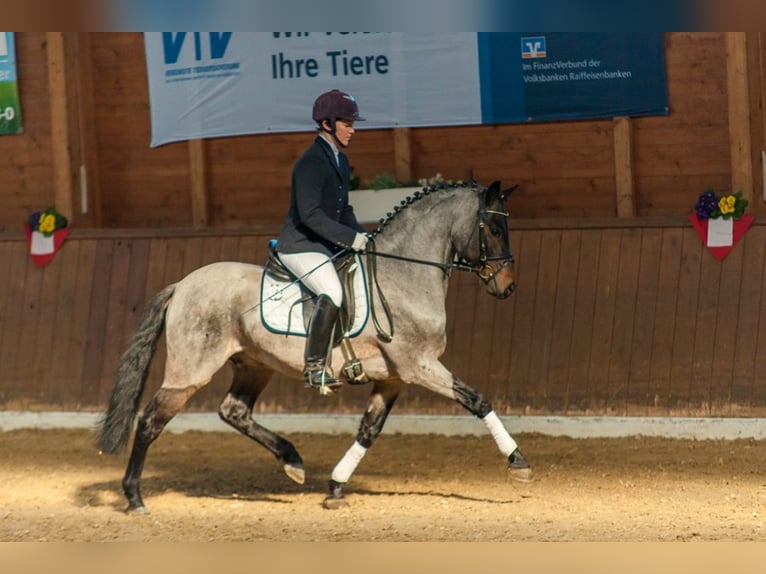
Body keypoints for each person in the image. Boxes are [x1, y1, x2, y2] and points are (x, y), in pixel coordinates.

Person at [275, 89, 370, 390]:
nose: (352, 130)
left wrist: (360, 235)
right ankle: (315, 366)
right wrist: (349, 239)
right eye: (347, 123)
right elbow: (311, 216)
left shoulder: (340, 160)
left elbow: (344, 209)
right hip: (300, 245)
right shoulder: (311, 163)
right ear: (328, 124)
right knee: (332, 291)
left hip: (323, 243)